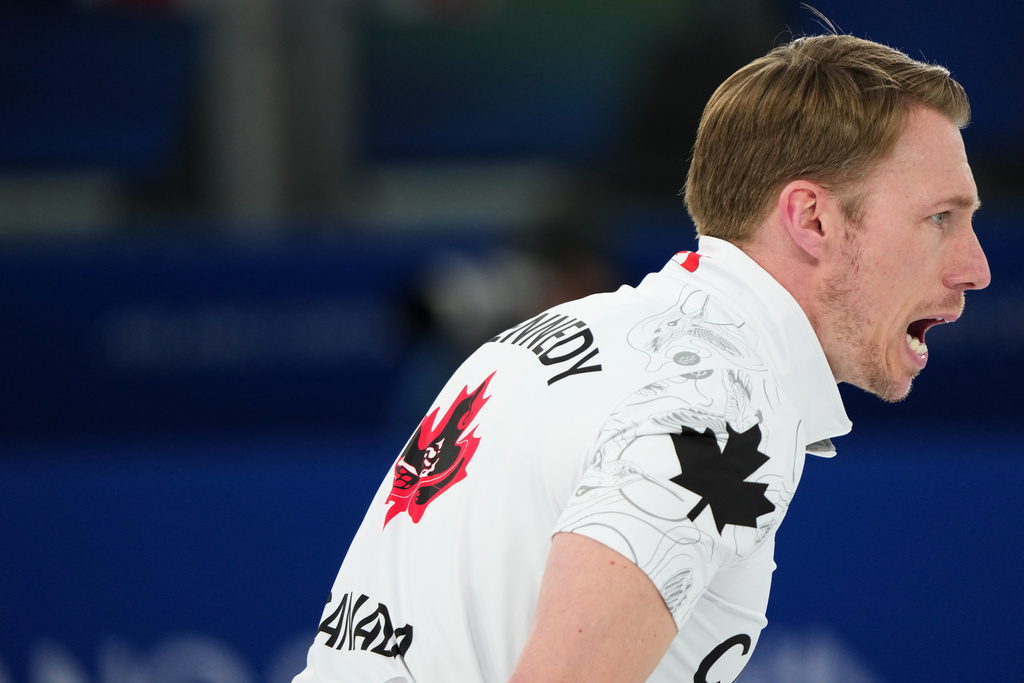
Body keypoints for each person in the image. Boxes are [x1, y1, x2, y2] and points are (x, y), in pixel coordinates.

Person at [293, 31, 991, 683]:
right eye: (940, 218)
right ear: (812, 220)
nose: (976, 267)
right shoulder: (721, 402)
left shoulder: (563, 331)